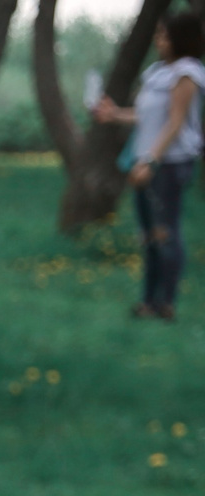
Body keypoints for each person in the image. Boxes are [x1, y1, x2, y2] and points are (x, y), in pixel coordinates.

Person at [97, 11, 203, 321]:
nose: (159, 40)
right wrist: (115, 114)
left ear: (181, 38)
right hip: (146, 161)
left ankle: (166, 303)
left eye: (164, 35)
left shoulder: (187, 72)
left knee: (164, 232)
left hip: (168, 163)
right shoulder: (157, 72)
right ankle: (147, 302)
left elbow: (175, 122)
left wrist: (150, 161)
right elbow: (147, 116)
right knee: (147, 234)